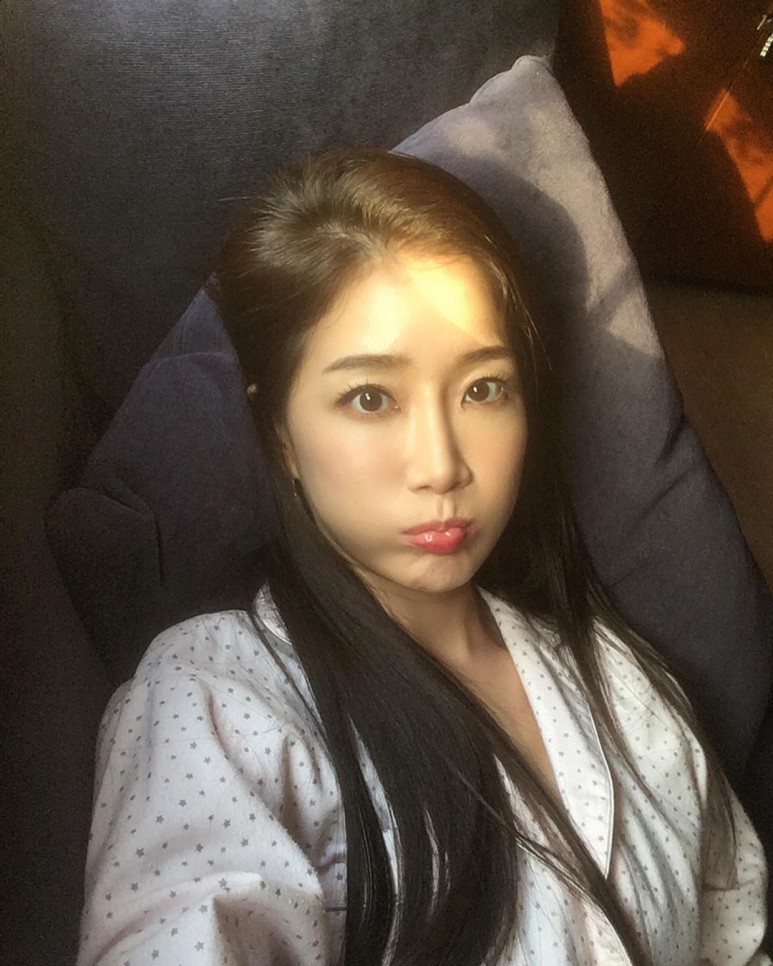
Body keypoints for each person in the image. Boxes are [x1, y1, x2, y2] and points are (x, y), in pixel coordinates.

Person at [77, 150, 769, 965]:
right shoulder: (219, 703)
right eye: (370, 398)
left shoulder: (621, 683)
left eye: (483, 388)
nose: (440, 465)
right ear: (279, 435)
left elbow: (738, 943)